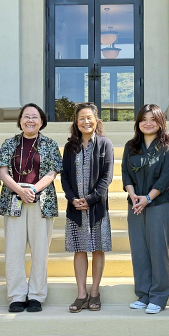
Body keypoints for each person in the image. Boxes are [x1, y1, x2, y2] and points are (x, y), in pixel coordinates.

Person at [0, 103, 62, 313]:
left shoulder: (50, 144)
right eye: (26, 116)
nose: (30, 120)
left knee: (40, 250)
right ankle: (16, 296)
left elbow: (52, 173)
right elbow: (3, 173)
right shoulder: (10, 143)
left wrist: (32, 190)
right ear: (20, 120)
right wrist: (20, 191)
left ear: (41, 122)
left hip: (41, 201)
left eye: (35, 117)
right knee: (14, 250)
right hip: (13, 200)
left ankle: (36, 295)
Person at [121, 104, 169, 314]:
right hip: (135, 203)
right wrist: (133, 195)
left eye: (153, 119)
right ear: (138, 122)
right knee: (139, 249)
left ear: (161, 122)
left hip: (159, 204)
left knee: (158, 249)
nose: (148, 123)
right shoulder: (131, 146)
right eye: (144, 119)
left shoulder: (168, 147)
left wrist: (147, 198)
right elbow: (125, 173)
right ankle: (143, 294)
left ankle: (159, 296)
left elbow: (165, 179)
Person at [60, 103, 114, 313]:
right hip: (75, 208)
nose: (86, 122)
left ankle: (95, 293)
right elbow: (64, 176)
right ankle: (81, 294)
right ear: (76, 122)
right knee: (79, 249)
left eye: (89, 117)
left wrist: (90, 199)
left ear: (96, 120)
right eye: (81, 118)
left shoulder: (105, 144)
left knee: (98, 249)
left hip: (97, 208)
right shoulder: (70, 147)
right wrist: (72, 198)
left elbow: (107, 177)